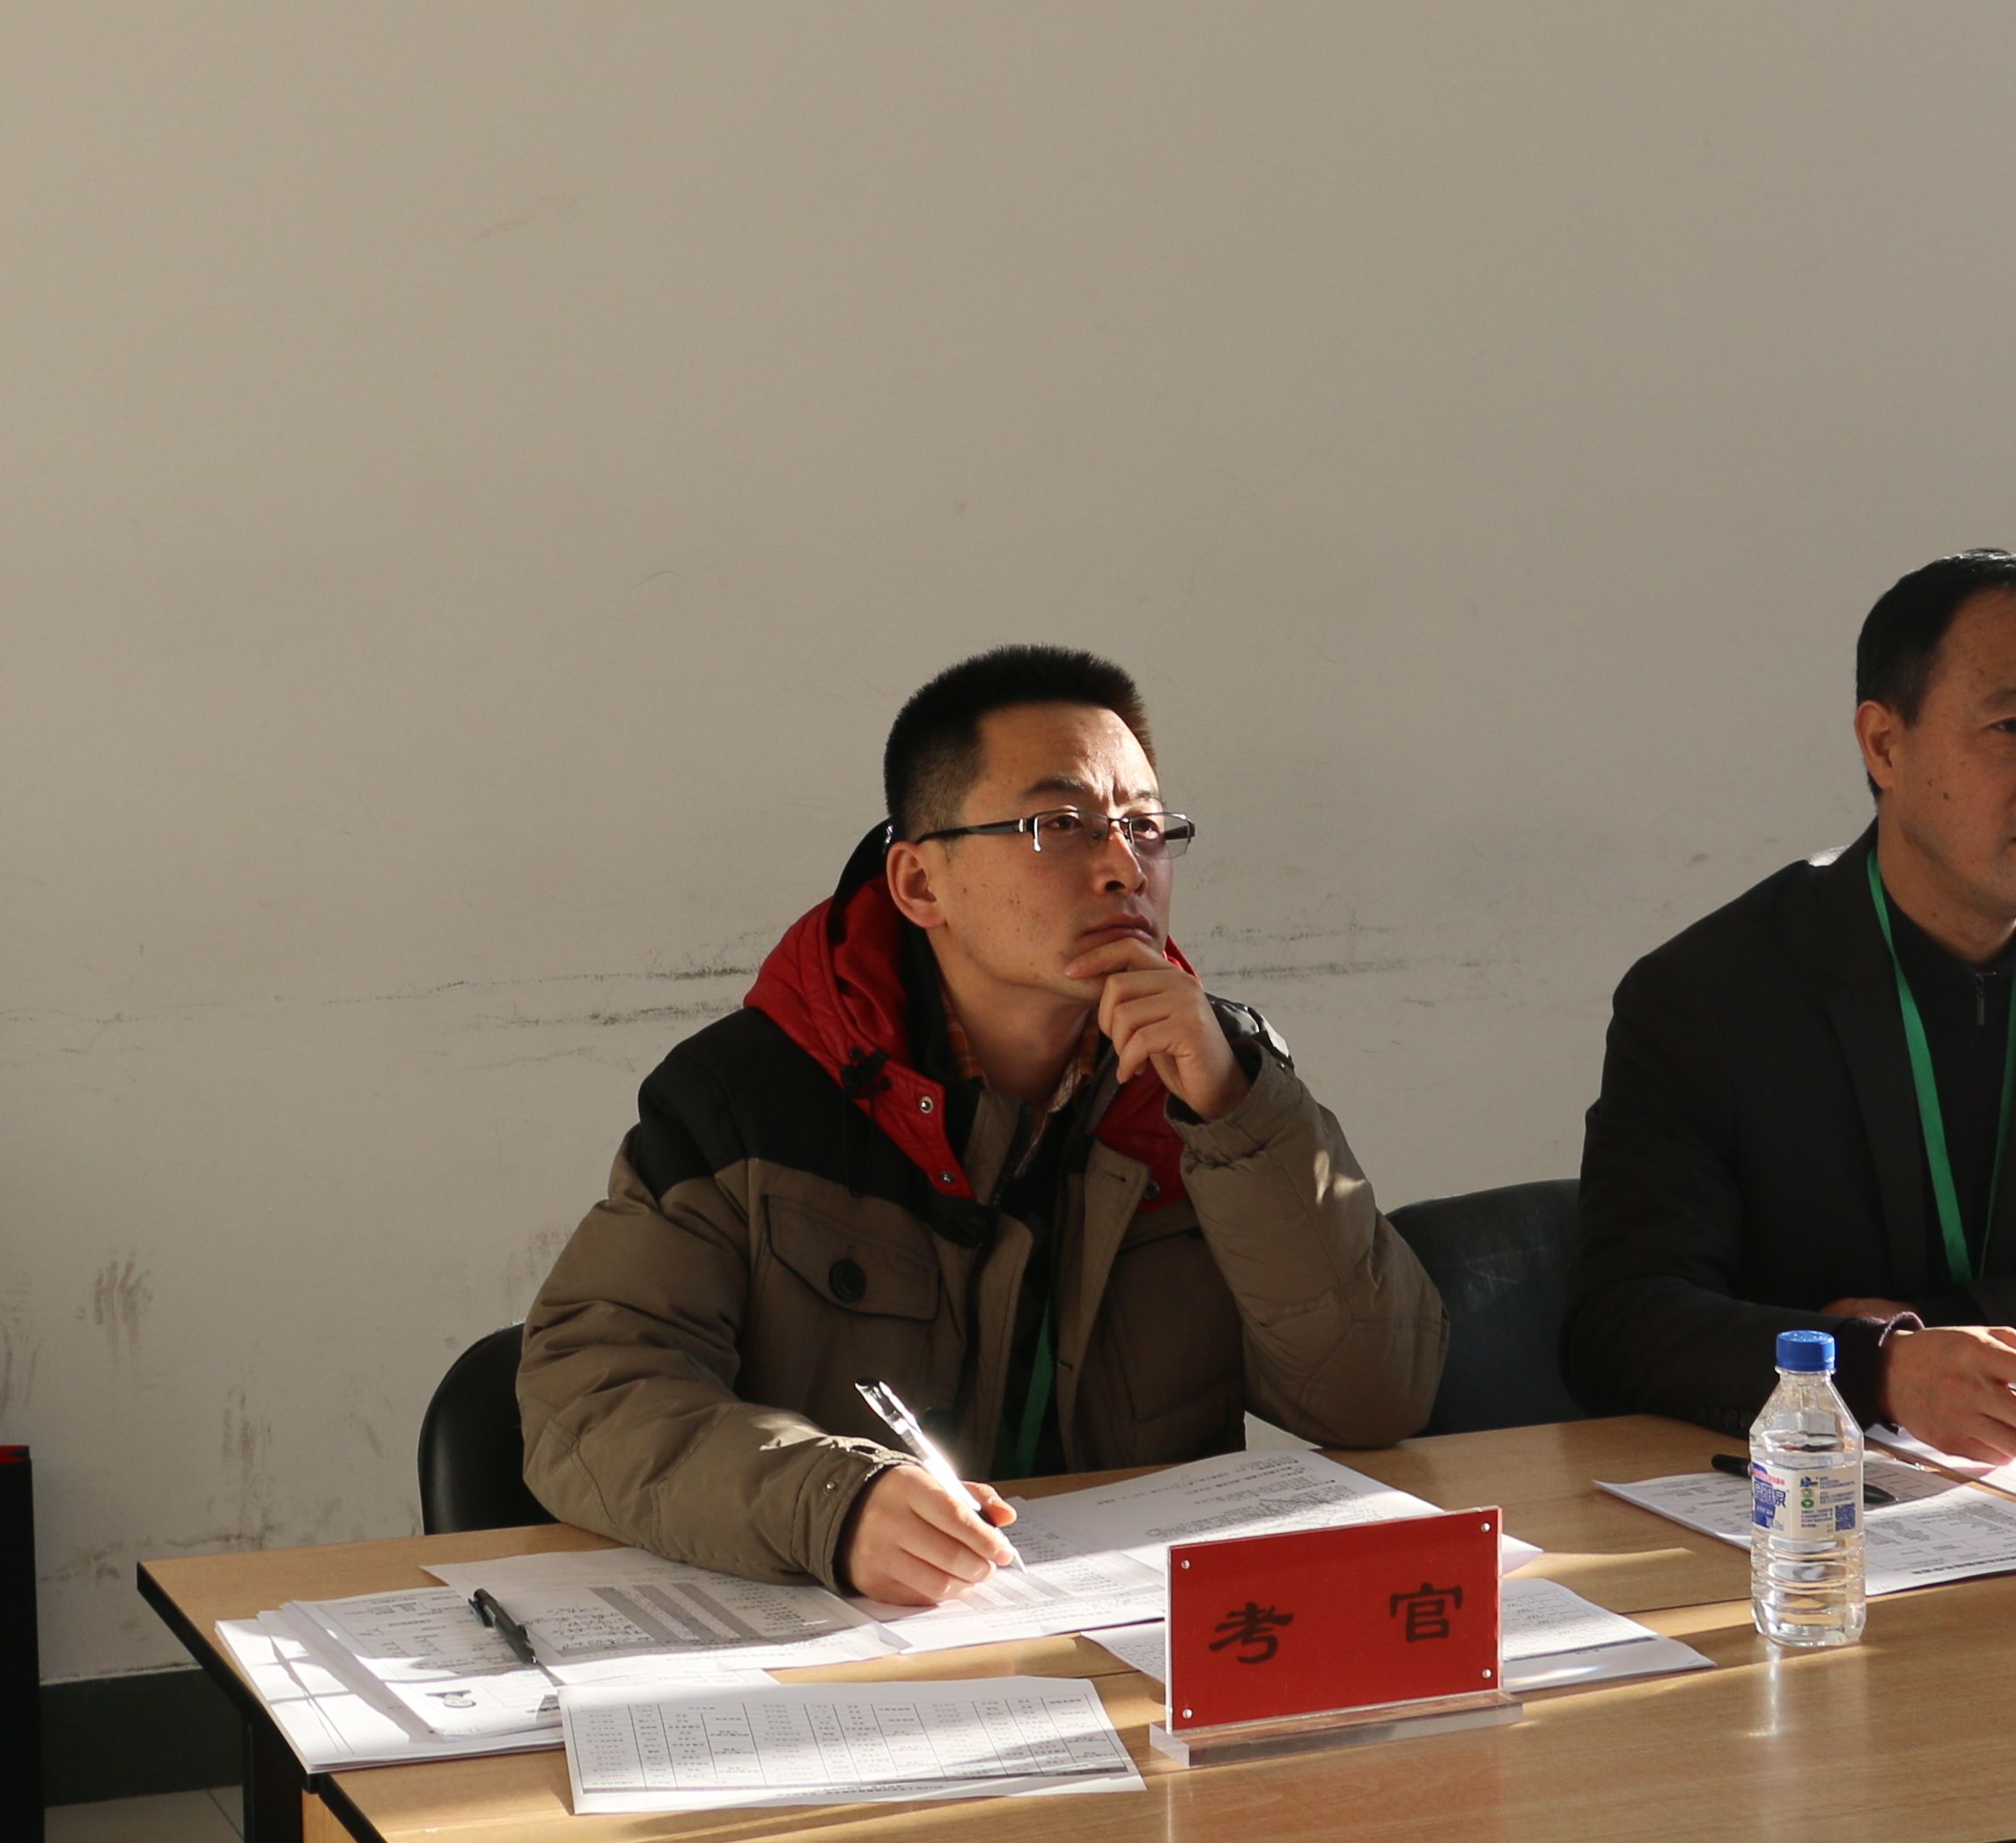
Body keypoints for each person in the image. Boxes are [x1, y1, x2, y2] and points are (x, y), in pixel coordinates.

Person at [519, 646, 1444, 1603]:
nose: (1124, 868)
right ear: (920, 884)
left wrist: (1236, 1115)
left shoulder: (1213, 1091)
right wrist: (829, 1505)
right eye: (1060, 826)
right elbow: (588, 1395)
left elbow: (1374, 1398)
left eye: (1145, 827)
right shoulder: (750, 1096)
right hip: (856, 1638)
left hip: (1136, 1636)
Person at [1562, 550, 2016, 1462]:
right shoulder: (1710, 994)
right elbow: (1620, 1320)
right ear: (1885, 745)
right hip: (1816, 1498)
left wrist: (1933, 1331)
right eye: (2011, 727)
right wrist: (1875, 1373)